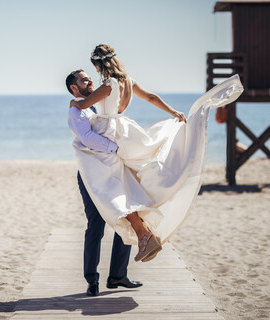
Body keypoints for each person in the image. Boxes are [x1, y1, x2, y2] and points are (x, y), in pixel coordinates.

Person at [69, 44, 243, 263]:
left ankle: (143, 236)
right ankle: (144, 235)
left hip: (111, 133)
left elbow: (84, 104)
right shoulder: (128, 81)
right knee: (131, 180)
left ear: (98, 64)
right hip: (126, 129)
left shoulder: (107, 84)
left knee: (113, 188)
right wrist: (172, 111)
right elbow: (151, 97)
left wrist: (73, 101)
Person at [66, 69, 142, 297]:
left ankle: (118, 275)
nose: (89, 80)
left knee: (124, 216)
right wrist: (117, 148)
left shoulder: (97, 106)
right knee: (96, 226)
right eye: (83, 79)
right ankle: (92, 280)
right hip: (91, 175)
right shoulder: (75, 109)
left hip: (113, 171)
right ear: (74, 88)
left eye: (89, 77)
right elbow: (87, 138)